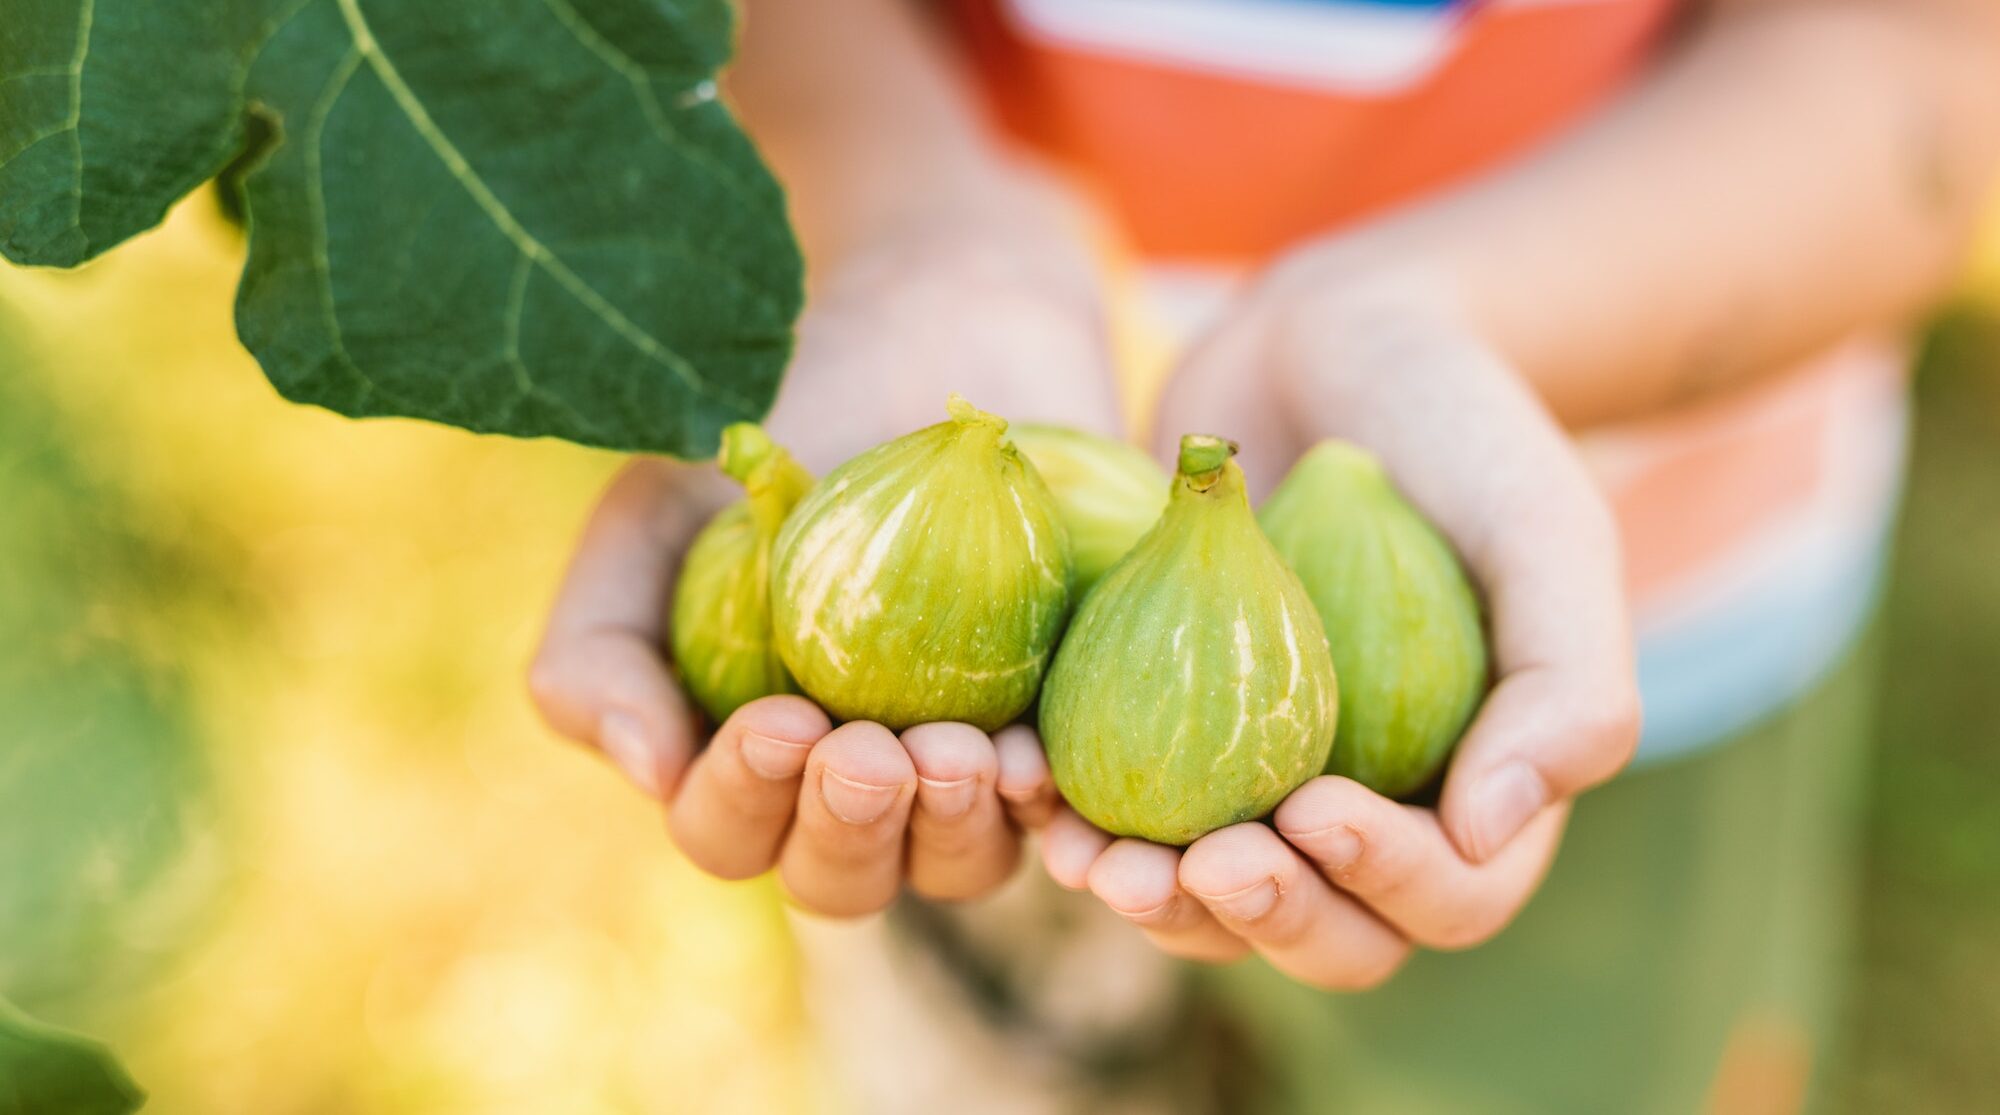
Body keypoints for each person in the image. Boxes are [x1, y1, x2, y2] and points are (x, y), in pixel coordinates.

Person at [528, 0, 2000, 1110]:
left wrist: (1436, 318)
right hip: (961, 762)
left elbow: (1927, 62)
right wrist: (900, 207)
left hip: (1648, 585)